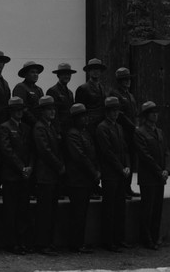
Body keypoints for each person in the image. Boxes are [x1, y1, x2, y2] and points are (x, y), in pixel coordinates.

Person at [0, 97, 33, 255]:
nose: (19, 112)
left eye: (21, 109)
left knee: (23, 210)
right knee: (10, 210)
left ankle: (22, 241)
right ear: (11, 112)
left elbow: (32, 149)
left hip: (25, 176)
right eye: (16, 110)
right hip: (11, 175)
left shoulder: (26, 127)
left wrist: (30, 167)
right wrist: (21, 168)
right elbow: (7, 151)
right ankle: (11, 243)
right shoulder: (4, 127)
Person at [134, 101, 170, 250]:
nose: (155, 114)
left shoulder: (160, 132)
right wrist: (158, 171)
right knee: (147, 210)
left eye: (156, 112)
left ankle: (155, 237)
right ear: (145, 115)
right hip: (148, 177)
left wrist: (167, 170)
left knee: (157, 209)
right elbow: (145, 155)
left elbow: (166, 152)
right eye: (152, 112)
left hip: (160, 177)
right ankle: (146, 239)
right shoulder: (139, 132)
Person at [96, 96, 131, 252]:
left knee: (120, 208)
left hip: (121, 174)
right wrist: (120, 168)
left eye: (117, 110)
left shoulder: (119, 127)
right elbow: (107, 152)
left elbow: (124, 149)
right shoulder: (102, 128)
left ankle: (119, 238)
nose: (115, 113)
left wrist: (128, 166)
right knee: (109, 209)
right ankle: (108, 241)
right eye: (112, 110)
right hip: (110, 174)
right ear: (107, 112)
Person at [65, 103, 100, 254]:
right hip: (77, 180)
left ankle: (79, 242)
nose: (84, 119)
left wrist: (96, 170)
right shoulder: (72, 134)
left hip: (85, 179)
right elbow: (80, 156)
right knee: (77, 213)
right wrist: (94, 172)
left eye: (85, 116)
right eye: (81, 117)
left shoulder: (85, 133)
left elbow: (92, 153)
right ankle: (75, 243)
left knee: (82, 212)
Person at [33, 95, 65, 256]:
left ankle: (49, 242)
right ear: (42, 112)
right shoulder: (40, 127)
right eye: (49, 109)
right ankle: (42, 244)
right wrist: (59, 165)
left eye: (53, 109)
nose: (52, 112)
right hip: (45, 175)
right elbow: (45, 151)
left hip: (52, 175)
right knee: (44, 212)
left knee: (51, 211)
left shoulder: (51, 126)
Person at [110, 67, 140, 198]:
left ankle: (127, 187)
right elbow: (120, 114)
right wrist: (133, 126)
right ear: (119, 81)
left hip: (132, 132)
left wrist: (137, 125)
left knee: (131, 160)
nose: (127, 81)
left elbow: (135, 113)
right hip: (121, 131)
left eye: (128, 79)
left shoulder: (130, 95)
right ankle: (122, 189)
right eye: (124, 79)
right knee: (122, 159)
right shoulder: (115, 93)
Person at [75, 58, 107, 136]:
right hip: (89, 125)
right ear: (89, 71)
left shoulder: (102, 87)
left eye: (97, 69)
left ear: (101, 71)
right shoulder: (83, 88)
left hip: (102, 124)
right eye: (92, 69)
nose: (95, 71)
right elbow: (79, 111)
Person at [46, 63, 76, 137]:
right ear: (58, 75)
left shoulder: (70, 93)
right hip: (59, 129)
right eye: (64, 74)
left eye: (69, 74)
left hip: (69, 129)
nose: (67, 76)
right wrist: (58, 131)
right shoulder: (52, 91)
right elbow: (53, 113)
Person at [12, 61, 44, 127]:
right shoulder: (21, 87)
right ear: (25, 74)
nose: (35, 74)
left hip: (38, 125)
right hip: (26, 125)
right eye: (32, 72)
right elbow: (22, 108)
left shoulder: (39, 90)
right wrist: (35, 122)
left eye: (37, 72)